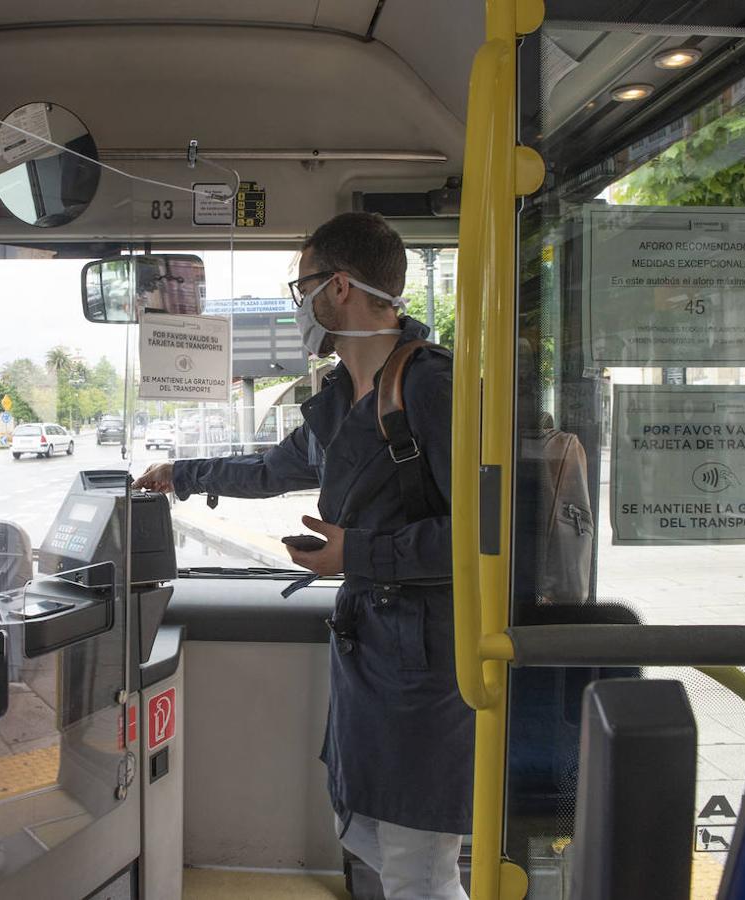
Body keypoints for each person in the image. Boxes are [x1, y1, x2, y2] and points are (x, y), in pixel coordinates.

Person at [136, 212, 473, 899]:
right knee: (368, 835)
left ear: (339, 287)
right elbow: (270, 468)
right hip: (371, 651)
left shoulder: (430, 387)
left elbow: (482, 537)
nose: (297, 306)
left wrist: (359, 553)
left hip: (424, 658)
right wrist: (184, 475)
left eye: (301, 287)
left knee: (419, 864)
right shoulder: (340, 400)